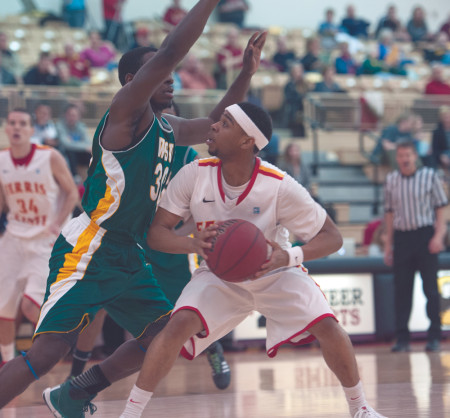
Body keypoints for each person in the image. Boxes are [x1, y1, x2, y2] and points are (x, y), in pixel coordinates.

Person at [0, 0, 266, 411]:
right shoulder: (126, 114)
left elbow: (216, 119)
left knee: (165, 334)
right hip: (91, 243)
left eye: (173, 77)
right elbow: (170, 52)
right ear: (134, 79)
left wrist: (246, 72)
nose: (171, 80)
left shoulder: (168, 127)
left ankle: (75, 392)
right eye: (162, 75)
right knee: (49, 351)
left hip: (129, 250)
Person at [118, 101, 387, 418]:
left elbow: (332, 237)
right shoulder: (194, 174)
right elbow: (156, 233)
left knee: (327, 325)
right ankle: (131, 413)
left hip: (274, 271)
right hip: (219, 274)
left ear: (248, 141)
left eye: (226, 123)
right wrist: (193, 244)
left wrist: (287, 256)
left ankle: (361, 409)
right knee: (177, 325)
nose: (214, 126)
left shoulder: (279, 186)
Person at [67, 103, 231, 390]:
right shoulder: (133, 145)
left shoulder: (190, 159)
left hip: (169, 247)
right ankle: (76, 372)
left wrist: (177, 235)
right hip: (131, 239)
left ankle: (213, 349)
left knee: (188, 310)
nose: (160, 122)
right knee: (99, 303)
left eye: (168, 117)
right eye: (157, 116)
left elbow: (200, 211)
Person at [0, 108, 78, 368]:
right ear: (6, 128)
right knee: (4, 311)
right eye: (12, 123)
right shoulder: (1, 160)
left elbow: (72, 192)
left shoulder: (50, 157)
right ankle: (8, 364)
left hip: (45, 239)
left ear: (32, 130)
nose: (17, 127)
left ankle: (57, 344)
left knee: (30, 307)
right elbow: (3, 203)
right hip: (13, 237)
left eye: (23, 123)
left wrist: (58, 221)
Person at [384, 141, 448, 353]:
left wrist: (439, 236)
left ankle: (434, 337)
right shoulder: (391, 180)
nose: (405, 159)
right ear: (397, 158)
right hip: (402, 238)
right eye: (401, 155)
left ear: (415, 156)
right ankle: (402, 339)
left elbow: (441, 207)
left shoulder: (430, 176)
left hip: (425, 236)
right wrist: (388, 246)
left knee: (430, 289)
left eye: (408, 155)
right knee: (402, 291)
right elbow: (389, 214)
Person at [56, 104, 91, 176]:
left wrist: (85, 147)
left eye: (74, 115)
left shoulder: (81, 126)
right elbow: (66, 144)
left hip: (79, 153)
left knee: (92, 154)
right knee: (70, 152)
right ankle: (75, 178)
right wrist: (84, 147)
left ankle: (94, 176)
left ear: (78, 117)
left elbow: (88, 142)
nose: (72, 118)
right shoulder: (60, 126)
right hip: (65, 154)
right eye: (70, 115)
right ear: (65, 115)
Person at [282, 62, 310, 137]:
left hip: (305, 111)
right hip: (294, 112)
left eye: (300, 71)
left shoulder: (305, 84)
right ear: (292, 73)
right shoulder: (289, 85)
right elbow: (290, 99)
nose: (299, 74)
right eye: (297, 71)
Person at [431, 106, 450, 172]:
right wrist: (441, 156)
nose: (447, 119)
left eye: (448, 116)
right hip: (443, 154)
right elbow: (435, 149)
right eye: (445, 117)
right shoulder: (437, 132)